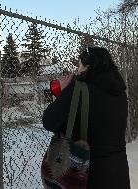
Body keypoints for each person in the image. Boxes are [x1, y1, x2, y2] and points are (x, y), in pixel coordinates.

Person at [42, 47, 130, 189]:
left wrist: (63, 94)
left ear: (88, 66)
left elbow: (49, 121)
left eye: (79, 65)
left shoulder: (79, 90)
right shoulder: (120, 93)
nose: (77, 70)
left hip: (87, 175)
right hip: (118, 171)